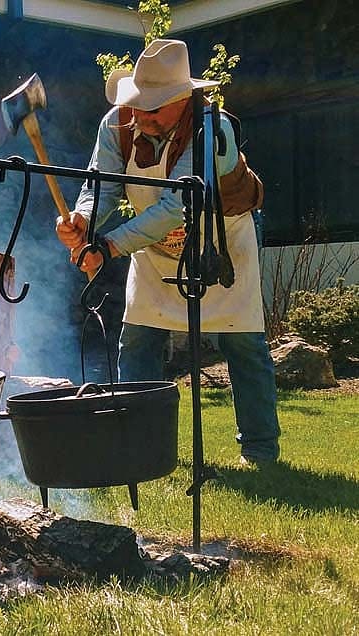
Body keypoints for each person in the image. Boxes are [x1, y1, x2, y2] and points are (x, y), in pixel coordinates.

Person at [56, 39, 280, 465]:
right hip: (154, 244)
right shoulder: (117, 122)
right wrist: (84, 220)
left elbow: (179, 203)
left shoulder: (214, 129)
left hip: (223, 242)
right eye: (139, 104)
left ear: (183, 99)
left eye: (154, 108)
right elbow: (99, 185)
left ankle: (260, 451)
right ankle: (135, 443)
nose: (142, 116)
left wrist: (109, 245)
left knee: (242, 344)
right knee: (138, 340)